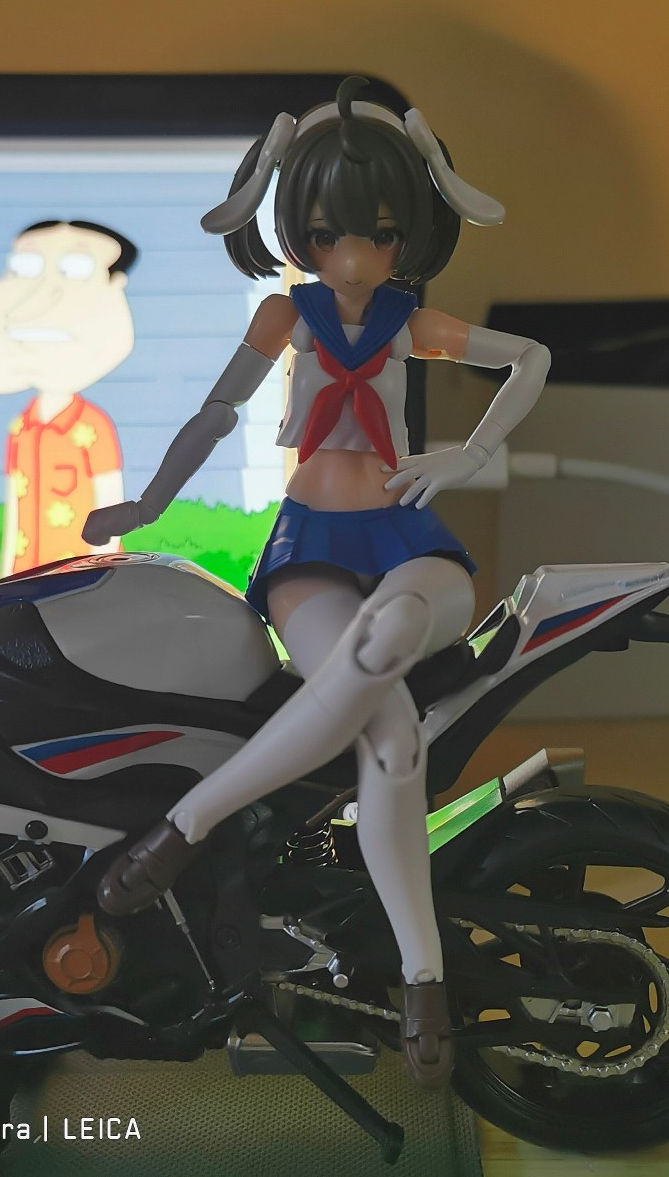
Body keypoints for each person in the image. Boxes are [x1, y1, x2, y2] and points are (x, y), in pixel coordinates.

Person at [83, 77, 549, 1089]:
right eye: (329, 235)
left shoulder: (410, 322)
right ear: (297, 232)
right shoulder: (282, 317)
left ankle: (185, 825)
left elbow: (531, 358)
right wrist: (147, 504)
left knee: (384, 648)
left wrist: (469, 454)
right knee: (391, 734)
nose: (352, 258)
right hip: (309, 547)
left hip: (408, 535)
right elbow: (215, 415)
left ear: (406, 235)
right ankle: (423, 979)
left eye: (378, 235)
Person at [0, 220, 139, 576]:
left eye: (77, 268)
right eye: (26, 267)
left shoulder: (91, 425)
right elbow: (15, 511)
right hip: (28, 573)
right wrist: (5, 577)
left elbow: (110, 505)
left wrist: (100, 573)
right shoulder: (22, 426)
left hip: (81, 575)